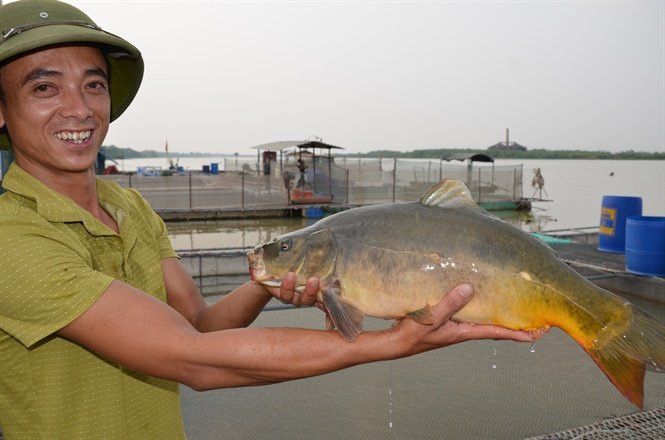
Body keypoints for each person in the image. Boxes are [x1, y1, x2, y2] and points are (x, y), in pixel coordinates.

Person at [0, 1, 539, 439]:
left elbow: (199, 327)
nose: (78, 108)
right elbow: (198, 361)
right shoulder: (9, 238)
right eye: (44, 87)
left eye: (93, 85)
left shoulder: (130, 207)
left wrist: (267, 282)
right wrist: (394, 342)